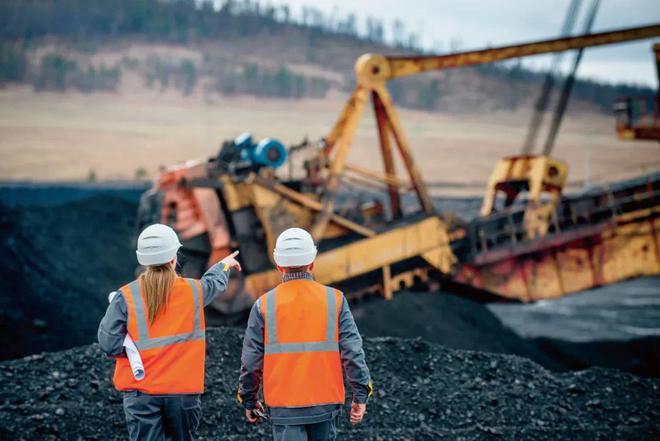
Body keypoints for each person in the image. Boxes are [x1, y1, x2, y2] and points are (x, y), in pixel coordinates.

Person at [98, 223, 241, 441]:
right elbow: (213, 283)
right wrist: (224, 264)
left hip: (140, 393)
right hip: (182, 394)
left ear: (143, 260)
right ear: (174, 258)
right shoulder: (194, 291)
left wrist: (132, 351)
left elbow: (109, 343)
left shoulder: (125, 296)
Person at [238, 227, 373, 441]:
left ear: (278, 264)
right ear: (312, 262)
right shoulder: (334, 300)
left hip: (284, 408)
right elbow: (352, 352)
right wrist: (360, 394)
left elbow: (251, 360)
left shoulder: (264, 305)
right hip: (325, 405)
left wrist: (248, 398)